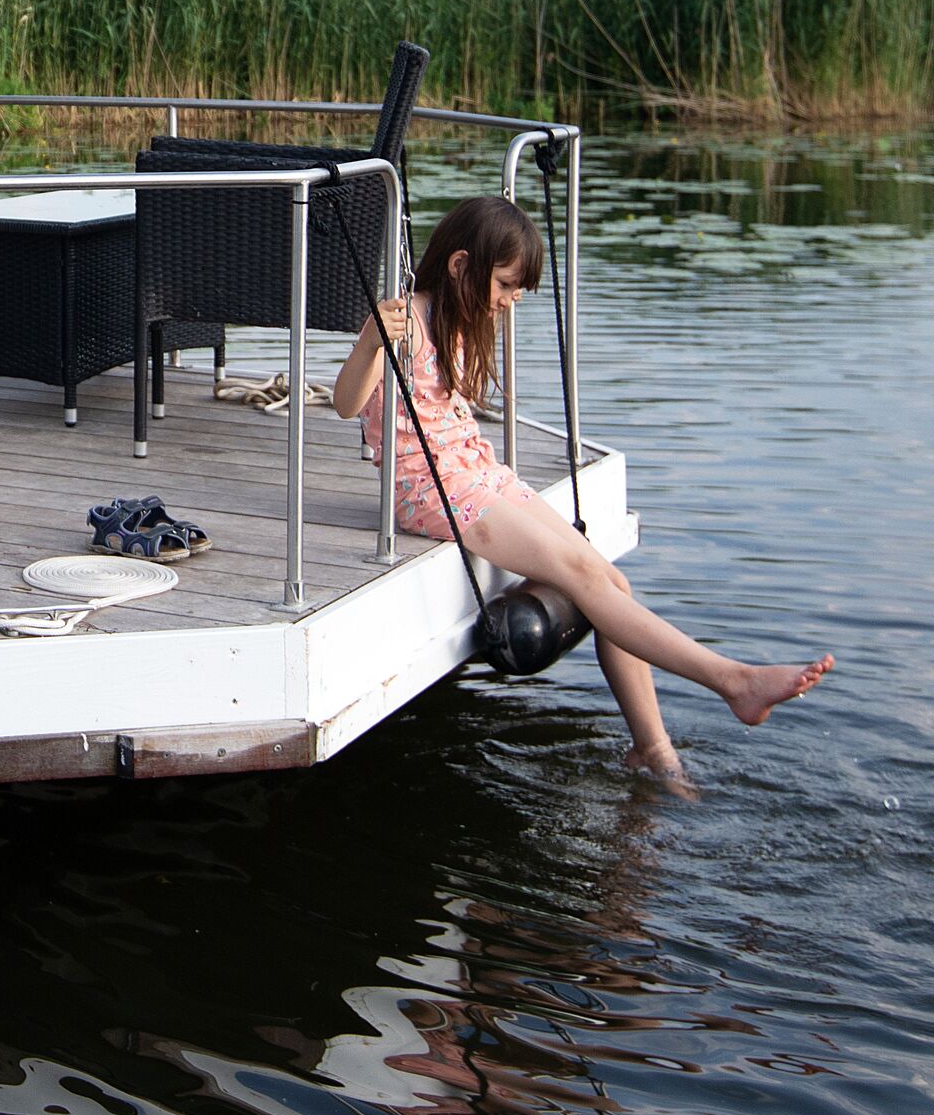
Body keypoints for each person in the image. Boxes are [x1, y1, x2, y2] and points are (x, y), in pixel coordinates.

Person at [334, 193, 833, 783]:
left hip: (479, 474)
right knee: (583, 580)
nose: (508, 304)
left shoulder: (459, 320)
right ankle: (734, 680)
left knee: (610, 580)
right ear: (460, 265)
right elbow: (346, 405)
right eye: (504, 287)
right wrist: (370, 340)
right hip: (431, 490)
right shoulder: (404, 321)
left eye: (517, 293)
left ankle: (653, 747)